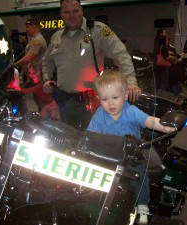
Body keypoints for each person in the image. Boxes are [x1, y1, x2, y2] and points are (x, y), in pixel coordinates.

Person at [87, 69, 176, 224]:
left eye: (115, 97)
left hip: (132, 155)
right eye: (105, 99)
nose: (111, 103)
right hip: (109, 156)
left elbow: (149, 121)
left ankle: (142, 205)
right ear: (98, 99)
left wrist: (165, 126)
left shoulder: (131, 111)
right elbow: (90, 135)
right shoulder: (98, 115)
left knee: (140, 175)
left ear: (126, 95)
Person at [42, 0, 141, 130]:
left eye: (75, 11)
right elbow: (47, 61)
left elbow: (121, 55)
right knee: (68, 140)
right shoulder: (57, 37)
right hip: (65, 103)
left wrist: (131, 82)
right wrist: (46, 79)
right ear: (61, 14)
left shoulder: (98, 31)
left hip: (91, 103)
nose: (71, 15)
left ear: (82, 11)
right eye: (67, 12)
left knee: (94, 141)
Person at [14, 19, 47, 85]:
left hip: (38, 74)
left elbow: (29, 58)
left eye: (28, 27)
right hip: (32, 74)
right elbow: (27, 59)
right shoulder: (33, 40)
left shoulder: (37, 41)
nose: (26, 30)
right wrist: (22, 74)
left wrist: (14, 65)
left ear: (34, 27)